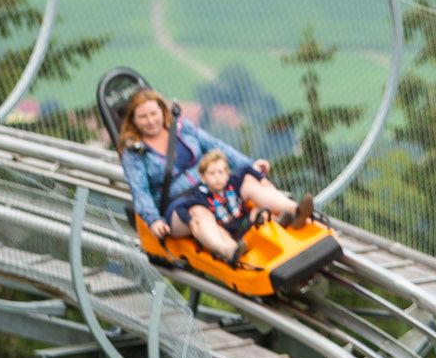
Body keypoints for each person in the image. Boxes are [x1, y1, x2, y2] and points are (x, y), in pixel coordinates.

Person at [117, 89, 305, 255]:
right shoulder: (135, 153)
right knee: (199, 212)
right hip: (179, 203)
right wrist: (153, 220)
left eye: (153, 114)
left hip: (210, 187)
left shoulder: (182, 129)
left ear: (162, 111)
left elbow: (216, 146)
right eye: (143, 117)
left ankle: (294, 210)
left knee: (249, 179)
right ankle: (230, 250)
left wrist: (250, 164)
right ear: (133, 121)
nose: (150, 121)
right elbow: (140, 191)